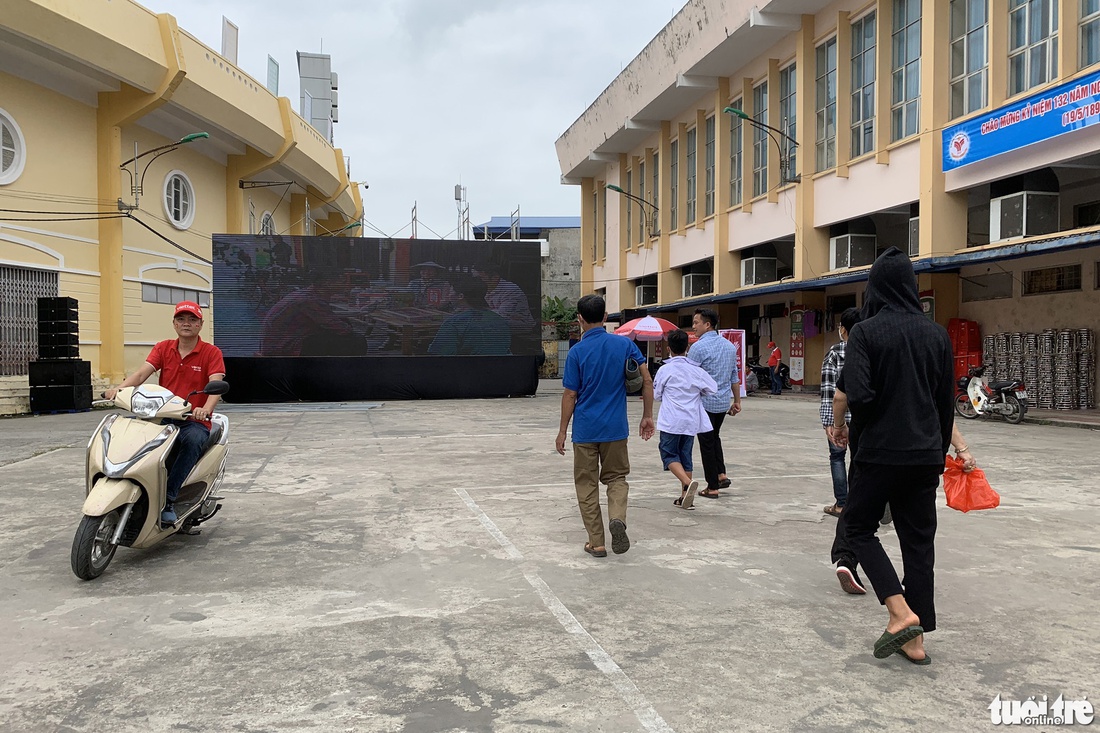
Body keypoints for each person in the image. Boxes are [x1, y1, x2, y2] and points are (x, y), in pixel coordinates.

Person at [826, 246, 955, 665]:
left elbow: (859, 395)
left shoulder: (866, 332)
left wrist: (864, 429)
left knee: (859, 529)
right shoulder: (936, 334)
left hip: (881, 453)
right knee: (919, 544)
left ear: (875, 286)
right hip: (924, 455)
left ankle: (900, 614)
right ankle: (917, 642)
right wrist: (936, 452)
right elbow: (944, 404)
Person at [104, 302, 226, 525]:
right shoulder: (163, 348)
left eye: (192, 320)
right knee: (128, 436)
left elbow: (215, 384)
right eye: (181, 319)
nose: (186, 324)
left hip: (191, 420)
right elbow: (141, 375)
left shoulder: (211, 352)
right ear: (174, 323)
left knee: (193, 440)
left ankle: (169, 500)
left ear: (201, 324)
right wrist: (118, 390)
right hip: (160, 415)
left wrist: (205, 410)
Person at [830, 420, 977, 600]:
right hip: (921, 449)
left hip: (871, 445)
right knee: (917, 537)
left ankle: (848, 558)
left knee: (857, 520)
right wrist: (959, 448)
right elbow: (943, 409)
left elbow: (839, 397)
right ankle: (918, 613)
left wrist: (837, 425)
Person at [555, 294, 655, 558]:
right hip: (615, 428)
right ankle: (618, 518)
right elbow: (646, 381)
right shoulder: (623, 345)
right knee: (617, 478)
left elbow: (570, 395)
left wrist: (563, 430)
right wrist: (647, 415)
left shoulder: (576, 352)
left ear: (579, 318)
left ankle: (596, 542)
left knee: (586, 484)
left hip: (585, 430)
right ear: (605, 316)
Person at [653, 329, 717, 510]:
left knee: (668, 454)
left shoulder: (665, 370)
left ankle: (687, 483)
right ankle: (685, 497)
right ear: (687, 347)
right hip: (690, 420)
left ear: (669, 349)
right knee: (685, 456)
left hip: (671, 420)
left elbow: (657, 395)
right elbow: (712, 388)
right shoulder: (696, 370)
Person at [689, 308, 742, 498]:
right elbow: (734, 376)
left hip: (704, 403)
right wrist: (736, 400)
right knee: (714, 437)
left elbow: (690, 376)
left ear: (707, 324)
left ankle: (712, 486)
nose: (694, 327)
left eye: (696, 322)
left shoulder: (698, 348)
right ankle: (721, 474)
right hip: (721, 403)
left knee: (706, 443)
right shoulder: (729, 347)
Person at [820, 308, 862, 517]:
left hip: (841, 418)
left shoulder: (835, 352)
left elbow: (831, 393)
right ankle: (863, 503)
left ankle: (842, 504)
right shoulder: (871, 350)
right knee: (861, 460)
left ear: (843, 330)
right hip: (865, 419)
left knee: (837, 458)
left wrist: (831, 423)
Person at [259, 273, 361, 356]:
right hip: (282, 346)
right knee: (356, 340)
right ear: (327, 283)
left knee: (344, 326)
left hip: (281, 341)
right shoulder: (311, 300)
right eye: (341, 281)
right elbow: (337, 326)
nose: (345, 284)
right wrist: (349, 329)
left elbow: (327, 318)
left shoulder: (308, 294)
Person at [427, 275, 511, 355]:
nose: (449, 296)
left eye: (451, 292)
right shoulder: (501, 320)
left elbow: (439, 354)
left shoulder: (454, 323)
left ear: (460, 296)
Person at [476, 262, 537, 353]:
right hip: (505, 319)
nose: (481, 281)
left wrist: (483, 312)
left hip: (521, 323)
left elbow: (501, 314)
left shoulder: (511, 290)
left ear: (495, 277)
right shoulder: (486, 288)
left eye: (482, 278)